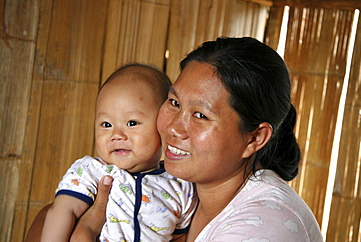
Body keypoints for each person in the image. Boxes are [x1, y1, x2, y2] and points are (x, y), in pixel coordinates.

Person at [28, 37, 323, 241]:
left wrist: (85, 231)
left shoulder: (266, 227)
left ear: (255, 138)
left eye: (201, 116)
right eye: (174, 102)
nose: (173, 128)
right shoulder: (181, 188)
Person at [40, 64, 197, 242]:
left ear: (163, 124)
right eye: (106, 124)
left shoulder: (180, 186)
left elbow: (180, 237)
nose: (116, 135)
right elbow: (61, 212)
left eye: (132, 123)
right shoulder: (91, 172)